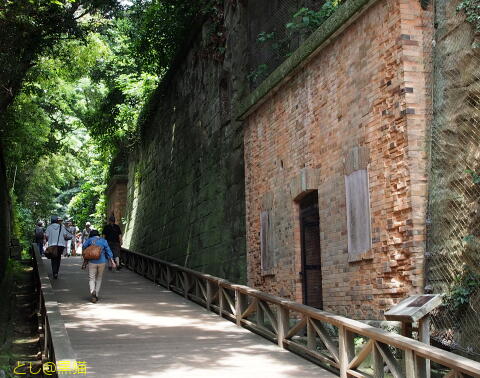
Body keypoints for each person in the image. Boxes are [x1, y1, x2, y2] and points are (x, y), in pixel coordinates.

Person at [82, 230, 116, 303]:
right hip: (102, 261)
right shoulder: (104, 241)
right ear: (98, 235)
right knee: (99, 278)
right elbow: (108, 251)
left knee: (91, 278)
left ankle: (92, 291)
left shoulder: (89, 240)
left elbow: (83, 246)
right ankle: (96, 294)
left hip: (92, 261)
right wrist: (112, 261)